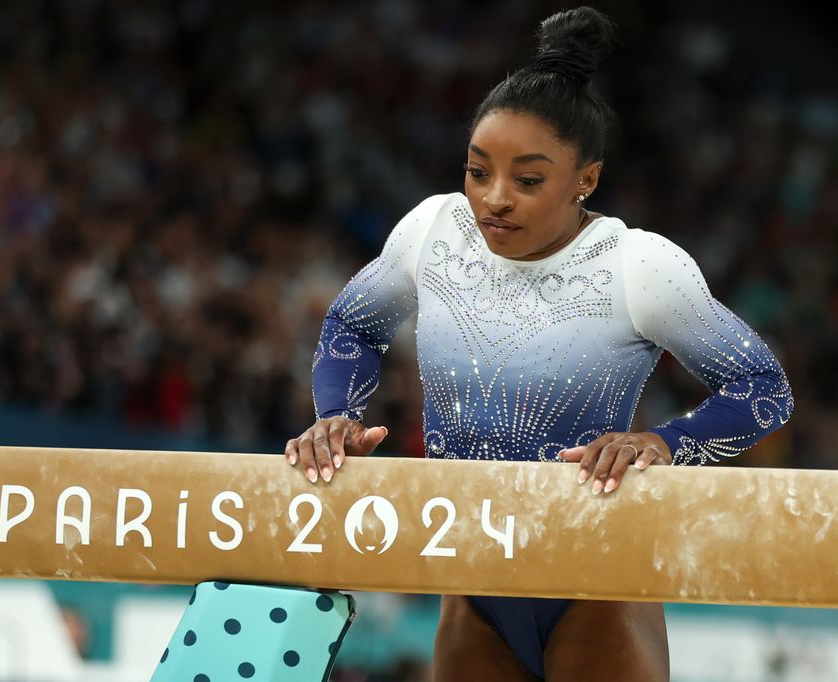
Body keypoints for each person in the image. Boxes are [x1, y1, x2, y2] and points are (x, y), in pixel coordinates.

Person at [286, 7, 793, 681]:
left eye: (528, 180)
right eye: (476, 171)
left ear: (586, 178)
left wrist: (664, 443)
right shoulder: (432, 233)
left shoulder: (637, 266)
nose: (494, 199)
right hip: (471, 579)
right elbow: (352, 324)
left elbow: (764, 390)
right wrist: (336, 412)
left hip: (594, 576)